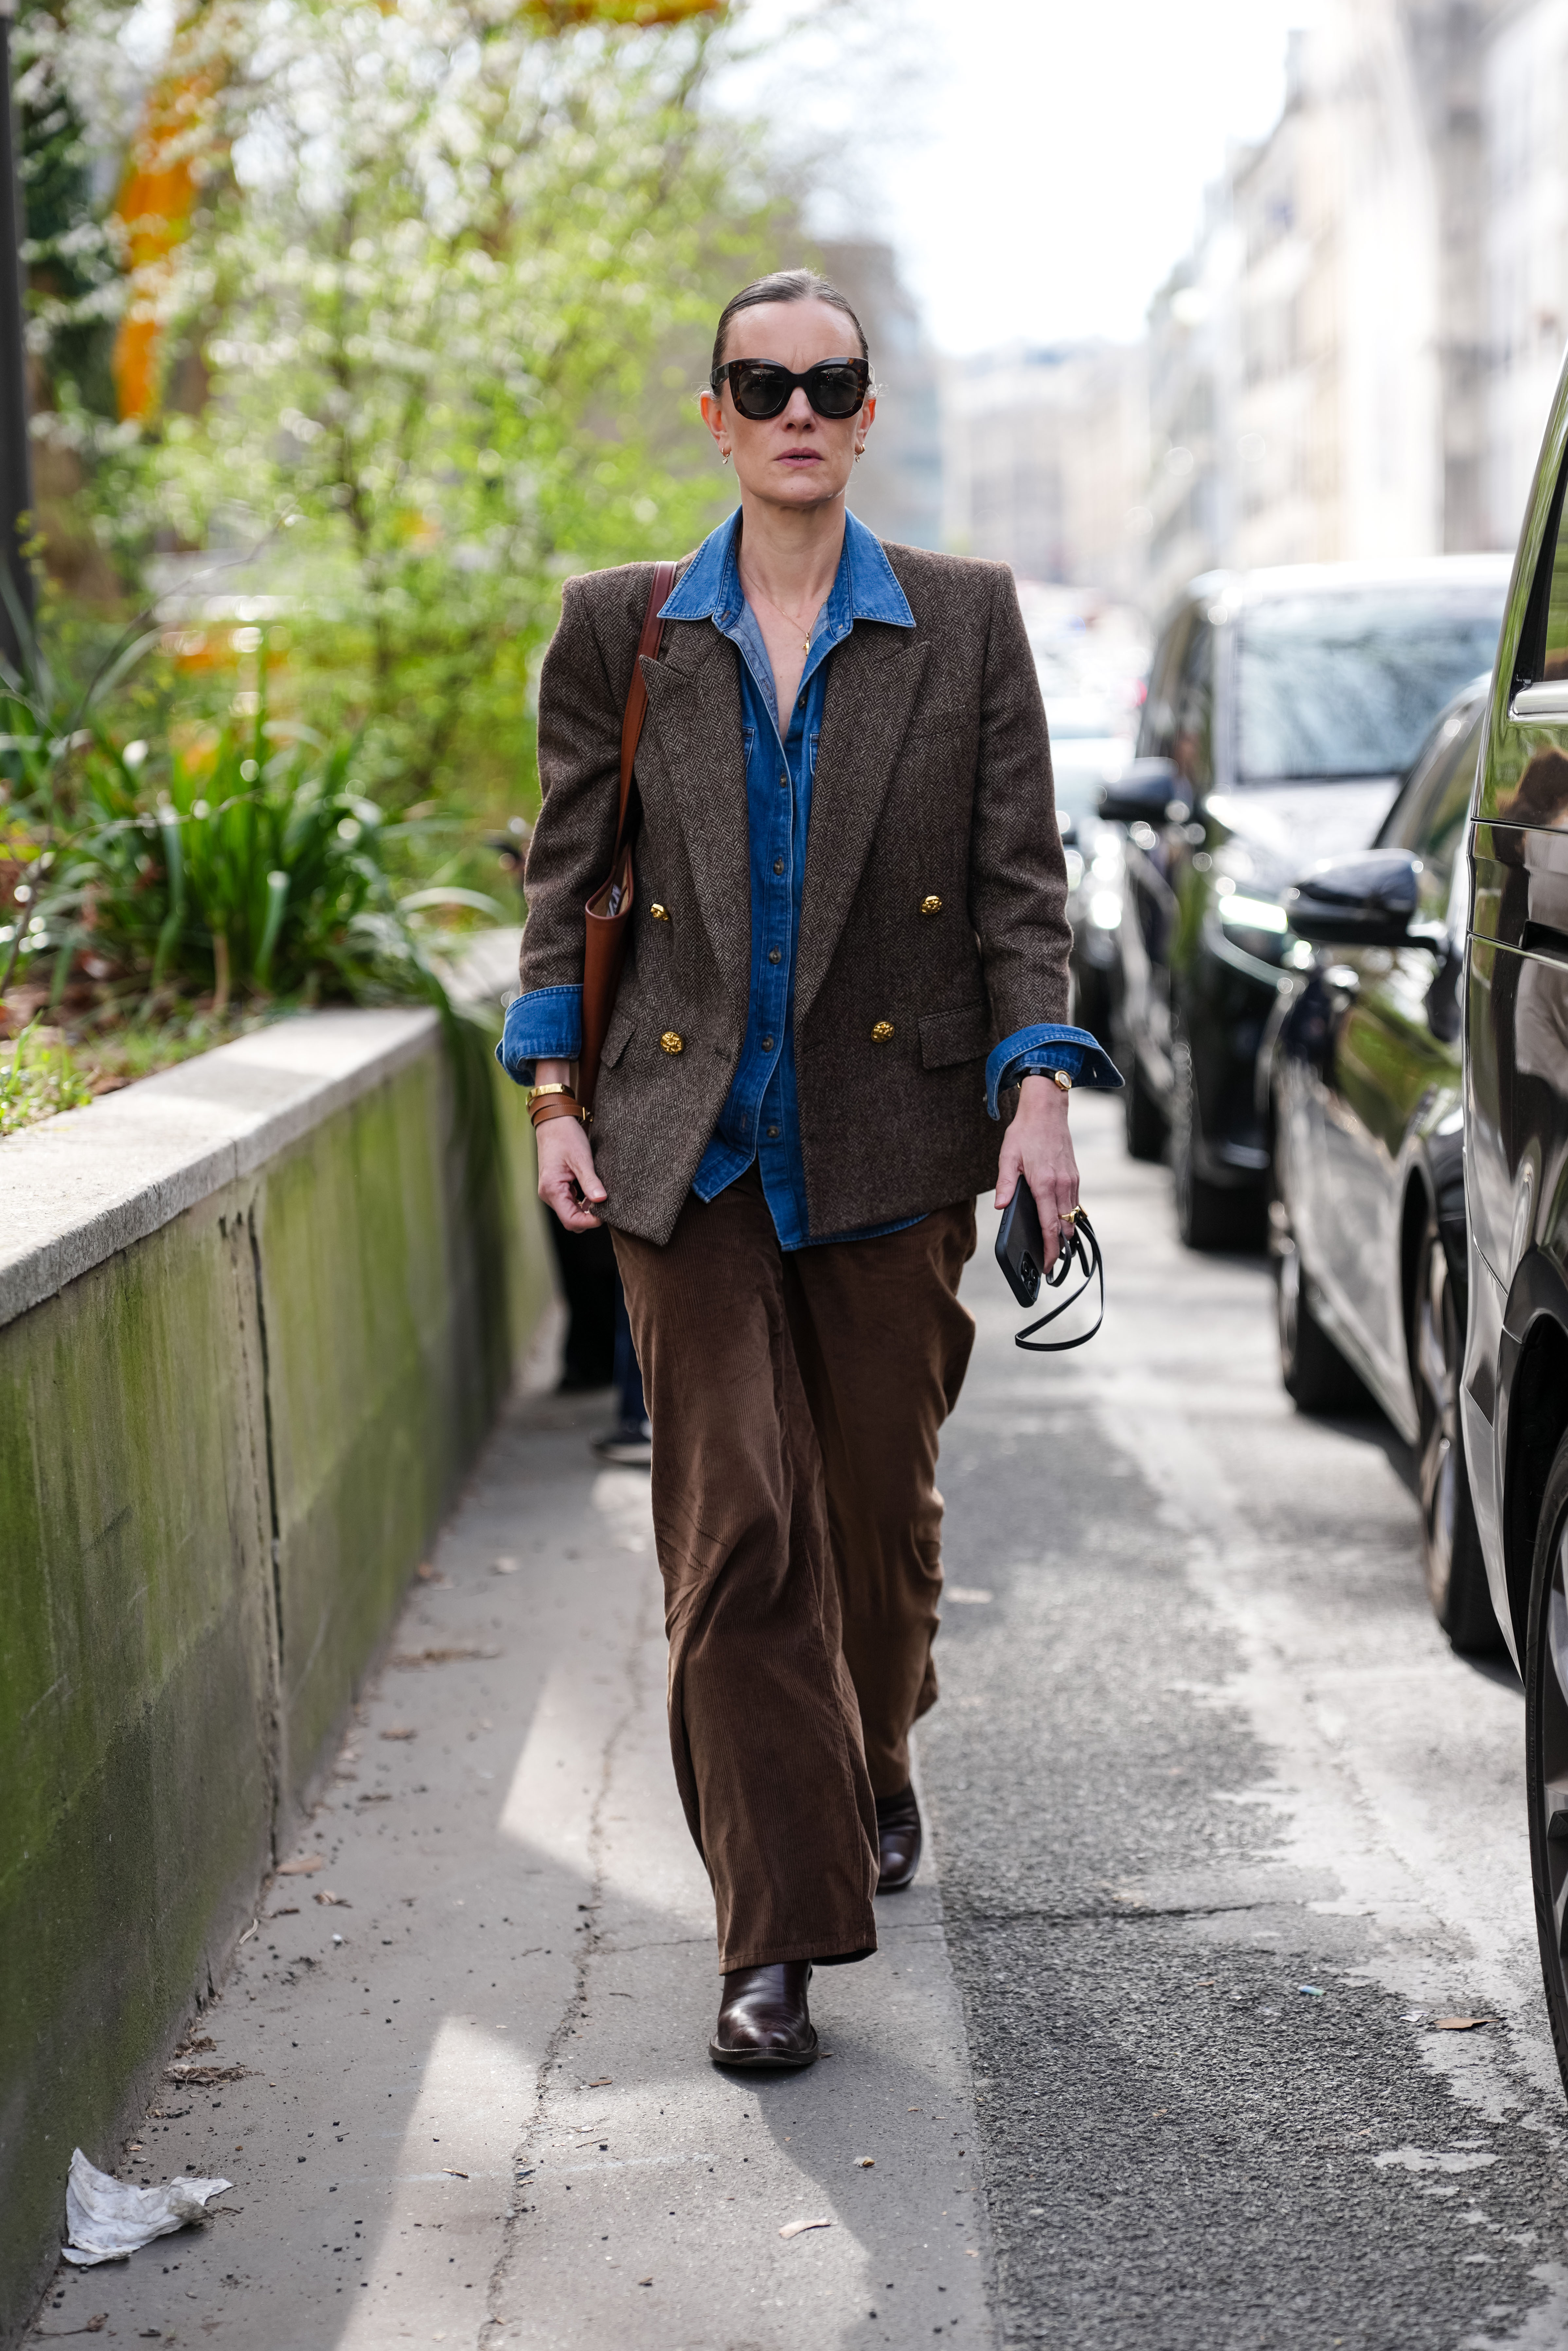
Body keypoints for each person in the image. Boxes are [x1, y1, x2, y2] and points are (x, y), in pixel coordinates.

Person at [499, 268, 1118, 2069]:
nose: (791, 408)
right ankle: (769, 1939)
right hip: (676, 1150)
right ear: (713, 414)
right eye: (756, 381)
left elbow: (1019, 890)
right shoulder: (623, 630)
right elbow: (564, 882)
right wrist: (551, 1098)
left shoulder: (963, 619)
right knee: (736, 1532)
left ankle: (878, 1751)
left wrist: (1038, 1092)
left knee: (872, 1525)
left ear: (865, 415)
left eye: (825, 381)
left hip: (886, 1139)